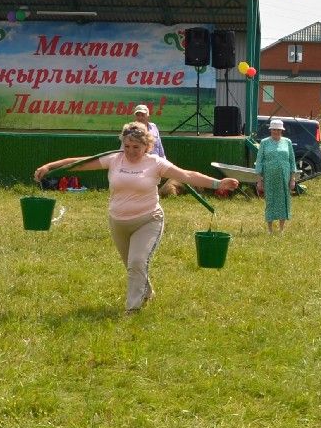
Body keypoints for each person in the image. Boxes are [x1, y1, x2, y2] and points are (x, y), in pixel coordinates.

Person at [33, 122, 238, 314]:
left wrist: (217, 183)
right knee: (132, 265)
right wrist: (50, 166)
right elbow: (79, 163)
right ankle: (147, 292)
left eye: (136, 147)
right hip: (118, 221)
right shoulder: (114, 159)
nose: (130, 151)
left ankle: (132, 309)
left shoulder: (155, 163)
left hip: (148, 220)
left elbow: (187, 175)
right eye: (127, 146)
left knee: (137, 262)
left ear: (146, 146)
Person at [256, 118, 300, 234]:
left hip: (284, 176)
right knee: (270, 200)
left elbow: (292, 161)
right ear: (270, 130)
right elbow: (259, 161)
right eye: (274, 130)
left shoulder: (287, 142)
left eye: (278, 130)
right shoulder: (264, 142)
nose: (276, 132)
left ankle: (281, 229)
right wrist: (259, 180)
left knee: (284, 200)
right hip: (269, 177)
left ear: (282, 131)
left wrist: (292, 179)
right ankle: (269, 229)